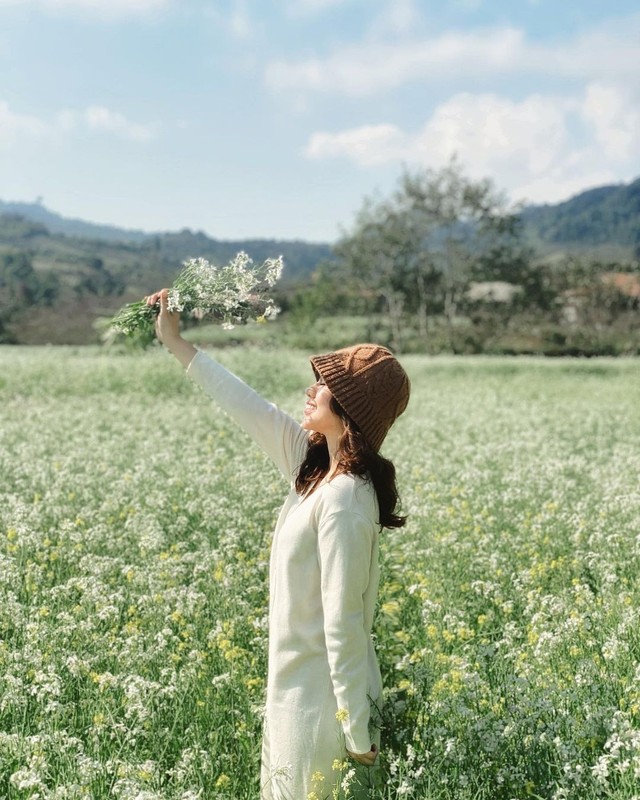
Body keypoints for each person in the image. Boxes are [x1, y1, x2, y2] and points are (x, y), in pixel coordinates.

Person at [147, 289, 411, 799]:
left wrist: (357, 729)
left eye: (327, 385)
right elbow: (246, 404)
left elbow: (345, 622)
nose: (312, 390)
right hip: (290, 694)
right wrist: (174, 341)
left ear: (352, 410)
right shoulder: (311, 467)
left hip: (321, 707)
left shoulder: (344, 500)